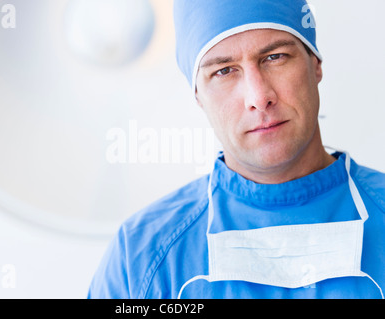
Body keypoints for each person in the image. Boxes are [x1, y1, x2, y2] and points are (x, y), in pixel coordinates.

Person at [88, 0, 385, 299]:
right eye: (224, 71)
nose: (258, 96)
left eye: (275, 57)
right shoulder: (143, 258)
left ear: (315, 64)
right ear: (198, 95)